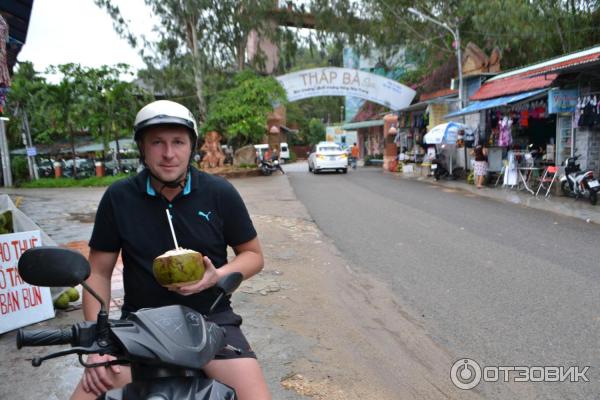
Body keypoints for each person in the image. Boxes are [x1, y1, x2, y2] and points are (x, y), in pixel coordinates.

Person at [71, 100, 271, 400]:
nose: (168, 154)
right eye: (157, 143)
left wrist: (217, 276)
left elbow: (253, 255)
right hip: (140, 323)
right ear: (142, 147)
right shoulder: (119, 197)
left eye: (178, 142)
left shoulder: (219, 192)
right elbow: (98, 272)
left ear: (192, 146)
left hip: (210, 317)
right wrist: (97, 343)